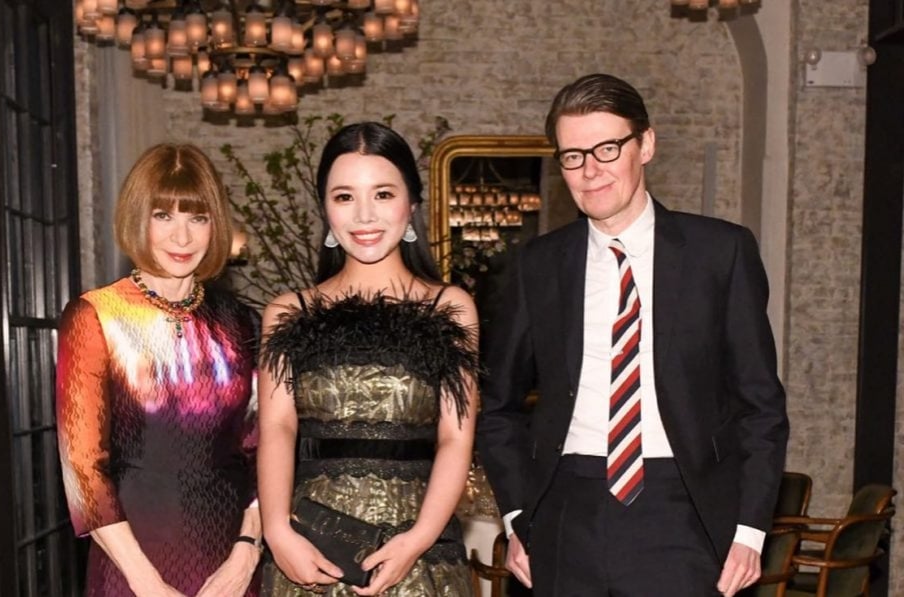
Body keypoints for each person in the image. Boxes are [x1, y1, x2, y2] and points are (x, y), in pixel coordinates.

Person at [477, 73, 789, 597]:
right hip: (563, 518)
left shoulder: (721, 253)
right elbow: (497, 406)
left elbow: (760, 406)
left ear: (645, 144)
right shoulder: (538, 265)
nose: (590, 171)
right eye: (573, 156)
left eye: (606, 148)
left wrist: (751, 531)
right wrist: (516, 517)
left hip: (684, 515)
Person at [256, 122, 479, 596]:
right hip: (310, 553)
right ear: (326, 210)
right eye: (344, 197)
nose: (364, 215)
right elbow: (277, 428)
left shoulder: (450, 307)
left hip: (420, 553)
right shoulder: (287, 312)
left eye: (382, 194)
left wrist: (418, 540)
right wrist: (277, 532)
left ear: (411, 204)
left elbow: (455, 440)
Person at [56, 143, 262, 596]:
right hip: (130, 562)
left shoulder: (243, 322)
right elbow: (83, 469)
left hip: (229, 564)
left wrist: (247, 551)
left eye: (197, 217)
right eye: (163, 216)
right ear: (137, 218)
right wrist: (147, 583)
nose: (182, 237)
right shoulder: (95, 317)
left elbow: (262, 452)